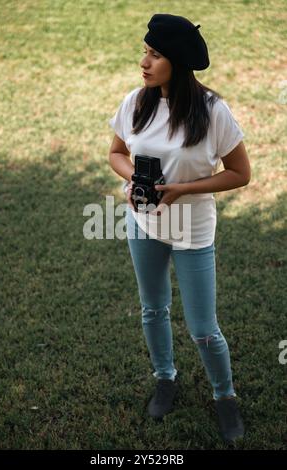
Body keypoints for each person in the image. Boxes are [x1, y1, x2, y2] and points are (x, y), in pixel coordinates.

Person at [108, 13, 251, 445]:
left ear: (178, 61)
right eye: (145, 52)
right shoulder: (136, 101)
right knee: (152, 309)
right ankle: (165, 378)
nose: (144, 62)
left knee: (204, 328)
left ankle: (224, 396)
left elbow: (240, 173)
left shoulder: (212, 112)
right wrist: (132, 178)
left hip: (193, 228)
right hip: (144, 224)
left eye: (154, 54)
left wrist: (182, 189)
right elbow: (115, 153)